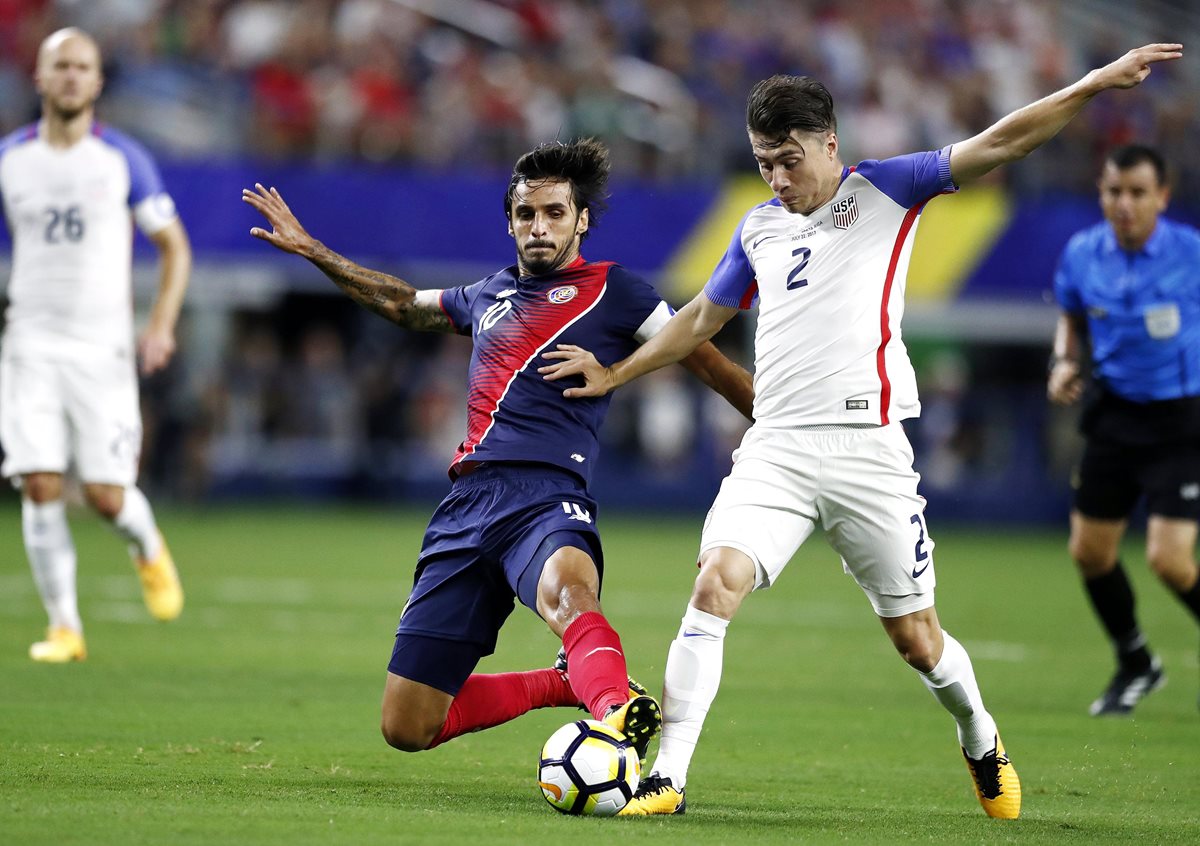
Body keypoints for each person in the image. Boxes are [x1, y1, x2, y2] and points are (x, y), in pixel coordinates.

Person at [541, 43, 1184, 819]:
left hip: (867, 451)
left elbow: (1004, 140)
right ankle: (667, 778)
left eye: (788, 159)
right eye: (763, 162)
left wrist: (1090, 84)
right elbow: (699, 322)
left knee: (917, 640)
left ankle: (980, 736)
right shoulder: (757, 230)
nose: (778, 178)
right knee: (714, 586)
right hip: (776, 447)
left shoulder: (887, 189)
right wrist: (616, 373)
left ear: (829, 144)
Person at [242, 139, 754, 762]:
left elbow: (702, 357)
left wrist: (772, 420)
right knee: (408, 725)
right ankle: (562, 683)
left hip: (546, 495)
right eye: (525, 214)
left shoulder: (615, 291)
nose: (539, 227)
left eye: (555, 213)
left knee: (569, 595)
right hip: (465, 506)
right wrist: (315, 252)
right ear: (510, 219)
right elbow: (402, 304)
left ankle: (615, 711)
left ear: (581, 219)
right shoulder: (486, 295)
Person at [0, 28, 191, 663]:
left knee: (107, 495)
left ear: (98, 81)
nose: (73, 76)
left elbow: (174, 246)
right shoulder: (11, 160)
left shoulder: (121, 161)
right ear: (40, 77)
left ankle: (146, 545)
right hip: (28, 342)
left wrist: (160, 324)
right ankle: (64, 628)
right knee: (39, 482)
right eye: (61, 66)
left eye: (83, 66)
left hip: (100, 350)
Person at [1048, 144, 1200, 716]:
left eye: (1138, 192)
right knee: (1089, 552)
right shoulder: (1083, 254)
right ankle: (1136, 661)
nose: (1125, 204)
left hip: (1181, 419)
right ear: (1101, 194)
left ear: (1162, 195)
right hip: (1113, 414)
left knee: (1170, 561)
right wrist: (1064, 362)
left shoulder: (1190, 253)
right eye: (1114, 192)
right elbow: (1069, 315)